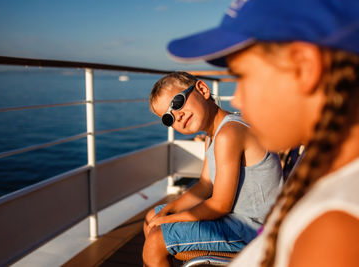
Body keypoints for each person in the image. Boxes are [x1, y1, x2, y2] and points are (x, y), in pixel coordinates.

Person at [166, 0, 359, 266]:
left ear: (304, 67)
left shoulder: (334, 231)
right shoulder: (324, 174)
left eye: (243, 76)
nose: (237, 100)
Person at [142, 71, 283, 267]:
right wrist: (166, 212)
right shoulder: (214, 134)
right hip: (237, 220)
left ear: (202, 89)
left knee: (156, 240)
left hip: (253, 229)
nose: (177, 115)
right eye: (168, 118)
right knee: (152, 217)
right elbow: (205, 185)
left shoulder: (229, 134)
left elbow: (219, 206)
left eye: (177, 103)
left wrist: (168, 221)